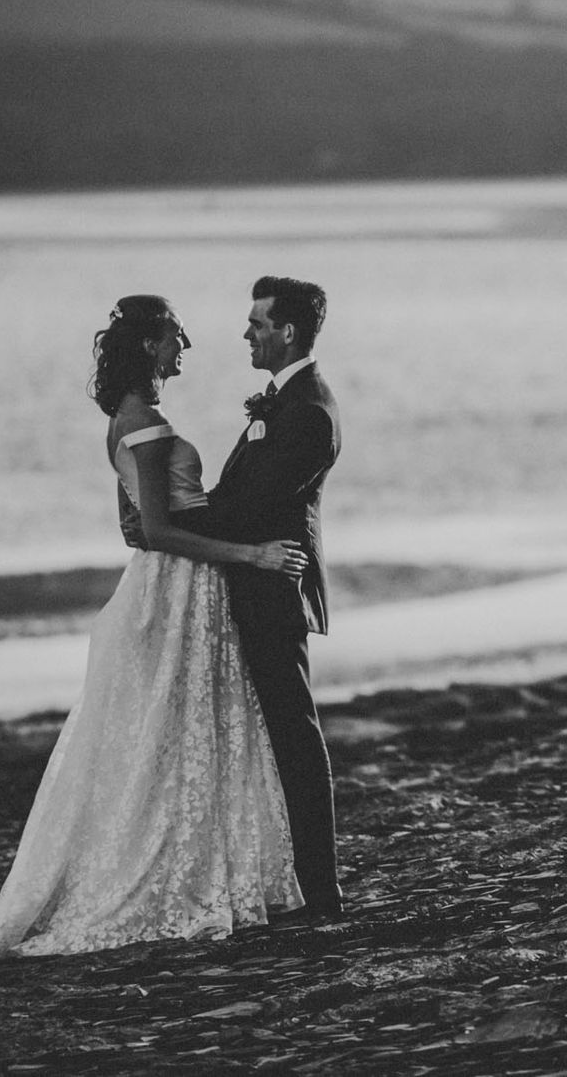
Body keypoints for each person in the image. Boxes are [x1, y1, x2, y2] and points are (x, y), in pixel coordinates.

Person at [0, 296, 309, 962]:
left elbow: (134, 523)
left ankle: (200, 860)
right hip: (178, 590)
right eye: (176, 339)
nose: (184, 350)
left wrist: (183, 522)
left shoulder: (125, 421)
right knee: (180, 730)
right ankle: (175, 872)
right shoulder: (144, 423)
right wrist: (252, 553)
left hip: (175, 582)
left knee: (183, 733)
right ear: (152, 345)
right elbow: (154, 529)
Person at [177, 276, 345, 924]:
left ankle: (322, 892)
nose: (246, 333)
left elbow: (251, 508)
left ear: (288, 333)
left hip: (276, 589)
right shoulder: (283, 402)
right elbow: (238, 498)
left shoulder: (309, 412)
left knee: (295, 739)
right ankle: (294, 883)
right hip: (256, 583)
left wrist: (168, 524)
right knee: (279, 737)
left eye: (256, 323)